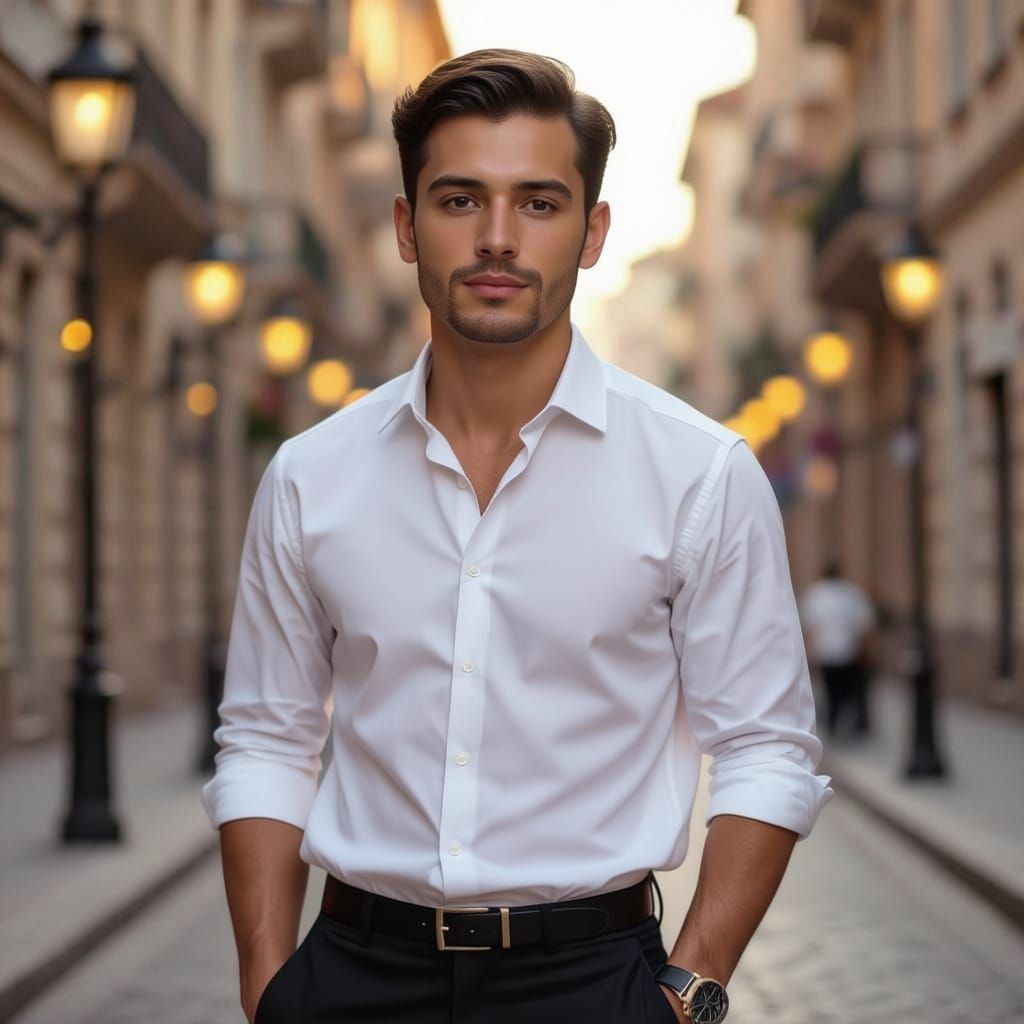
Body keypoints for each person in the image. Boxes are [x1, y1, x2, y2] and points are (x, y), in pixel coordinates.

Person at [202, 49, 831, 1024]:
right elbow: (266, 737)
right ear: (407, 227)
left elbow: (766, 744)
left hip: (592, 983)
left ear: (591, 232)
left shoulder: (697, 473)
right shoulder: (309, 475)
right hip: (352, 974)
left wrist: (688, 988)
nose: (498, 238)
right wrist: (267, 985)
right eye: (460, 201)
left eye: (538, 203)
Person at [800, 562, 876, 738]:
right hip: (848, 652)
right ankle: (841, 722)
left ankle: (834, 724)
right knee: (846, 690)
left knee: (831, 690)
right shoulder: (851, 593)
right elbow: (864, 624)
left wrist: (810, 651)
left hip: (826, 652)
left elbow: (810, 626)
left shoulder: (816, 594)